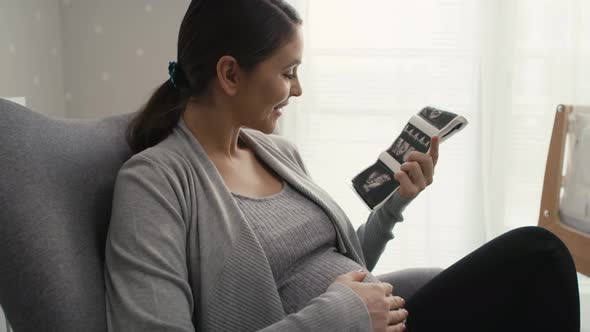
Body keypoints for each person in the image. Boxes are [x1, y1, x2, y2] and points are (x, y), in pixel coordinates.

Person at [104, 1, 581, 331]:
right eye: (288, 73)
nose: (298, 90)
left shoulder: (277, 154)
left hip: (389, 317)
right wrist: (342, 316)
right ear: (229, 73)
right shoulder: (155, 184)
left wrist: (395, 205)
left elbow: (345, 267)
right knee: (539, 255)